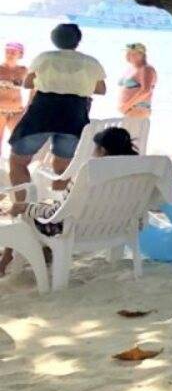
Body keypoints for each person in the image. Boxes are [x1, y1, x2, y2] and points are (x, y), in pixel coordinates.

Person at [2, 24, 105, 274]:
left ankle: (23, 207)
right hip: (74, 114)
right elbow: (100, 90)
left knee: (18, 162)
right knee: (62, 171)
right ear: (77, 41)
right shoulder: (91, 61)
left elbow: (28, 83)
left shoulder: (44, 57)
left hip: (43, 112)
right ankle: (57, 215)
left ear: (53, 39)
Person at [19, 126, 139, 241]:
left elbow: (55, 214)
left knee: (25, 214)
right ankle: (47, 252)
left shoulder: (88, 174)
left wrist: (26, 207)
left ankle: (9, 258)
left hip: (76, 231)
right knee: (45, 204)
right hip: (117, 228)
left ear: (102, 150)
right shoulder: (137, 176)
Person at [0, 42, 28, 158]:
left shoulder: (24, 70)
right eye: (7, 51)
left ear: (20, 54)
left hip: (17, 112)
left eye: (13, 52)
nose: (9, 54)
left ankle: (16, 171)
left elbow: (36, 88)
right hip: (0, 111)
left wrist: (30, 106)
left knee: (20, 143)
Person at [117, 42, 157, 118]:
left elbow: (146, 90)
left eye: (131, 53)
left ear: (141, 54)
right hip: (129, 110)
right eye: (127, 52)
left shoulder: (146, 69)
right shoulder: (132, 68)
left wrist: (126, 106)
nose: (127, 55)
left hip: (137, 110)